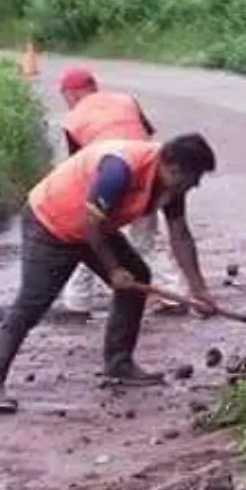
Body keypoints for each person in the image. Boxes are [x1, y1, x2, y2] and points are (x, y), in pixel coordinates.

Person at [0, 134, 218, 413]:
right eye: (192, 178)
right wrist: (113, 270)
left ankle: (119, 364)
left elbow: (180, 235)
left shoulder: (170, 186)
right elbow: (90, 223)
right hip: (52, 225)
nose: (194, 185)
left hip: (96, 229)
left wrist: (199, 289)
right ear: (171, 167)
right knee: (31, 304)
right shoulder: (119, 169)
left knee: (136, 277)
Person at [54, 67, 187, 318]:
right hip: (145, 172)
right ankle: (174, 295)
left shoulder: (72, 119)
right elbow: (147, 134)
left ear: (70, 94)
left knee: (89, 237)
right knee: (148, 241)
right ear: (93, 87)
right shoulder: (126, 100)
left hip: (109, 176)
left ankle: (77, 302)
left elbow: (79, 165)